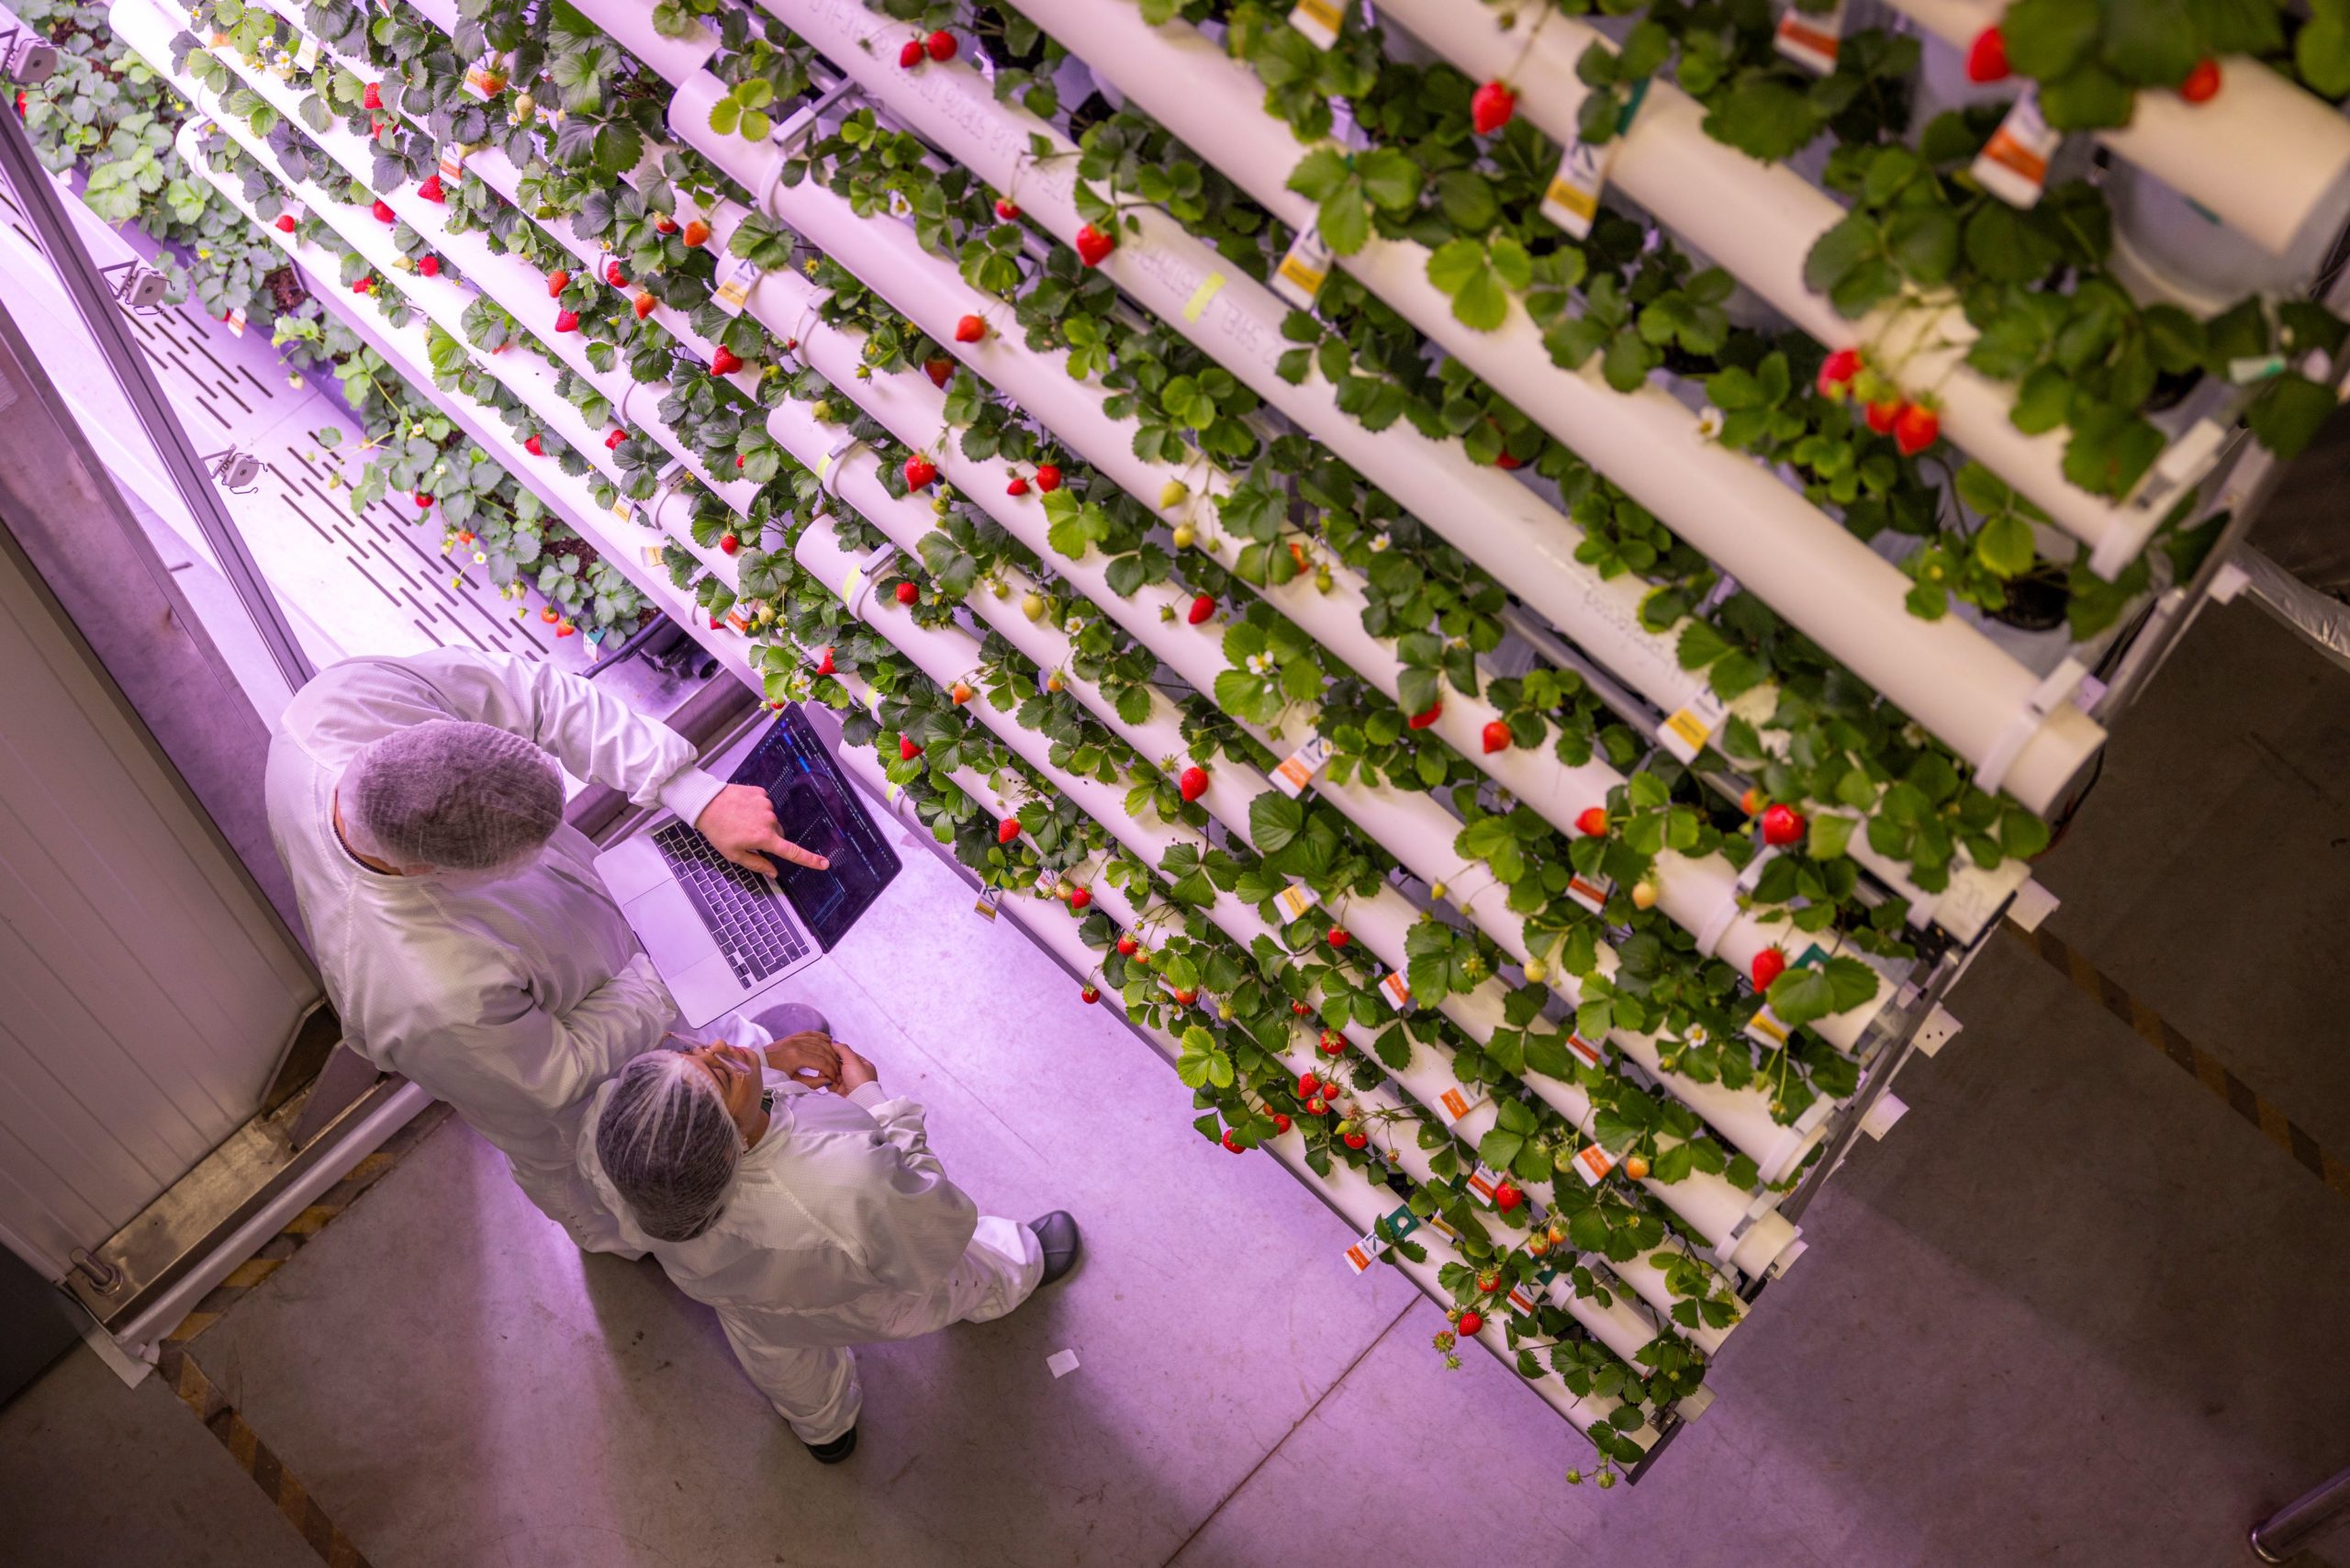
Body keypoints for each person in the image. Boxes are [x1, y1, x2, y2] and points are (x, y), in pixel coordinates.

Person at [264, 647, 833, 1253]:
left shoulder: (344, 702)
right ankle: (632, 1243)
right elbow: (555, 1073)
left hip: (603, 965)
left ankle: (729, 1076)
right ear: (429, 871)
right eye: (521, 862)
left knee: (675, 1045)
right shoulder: (421, 994)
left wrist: (692, 792)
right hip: (558, 1098)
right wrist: (671, 962)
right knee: (615, 1178)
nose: (548, 851)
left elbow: (534, 696)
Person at [580, 1025, 1080, 1462]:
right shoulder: (841, 1181)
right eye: (723, 1075)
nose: (714, 1045)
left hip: (742, 1304)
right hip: (862, 1300)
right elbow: (934, 1230)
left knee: (785, 1363)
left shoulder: (621, 1138)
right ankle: (1018, 1268)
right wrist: (873, 1103)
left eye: (690, 1055)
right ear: (725, 1145)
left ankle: (825, 1431)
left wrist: (767, 1067)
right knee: (964, 1273)